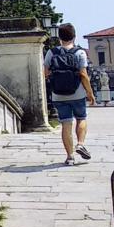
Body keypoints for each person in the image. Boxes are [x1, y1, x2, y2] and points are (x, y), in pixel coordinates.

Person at [44, 23, 95, 164]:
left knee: (66, 124)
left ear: (59, 37)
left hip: (58, 94)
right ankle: (80, 144)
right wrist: (90, 93)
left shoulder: (51, 53)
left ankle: (70, 157)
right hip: (77, 93)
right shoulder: (80, 53)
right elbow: (83, 75)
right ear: (74, 36)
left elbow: (46, 73)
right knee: (81, 118)